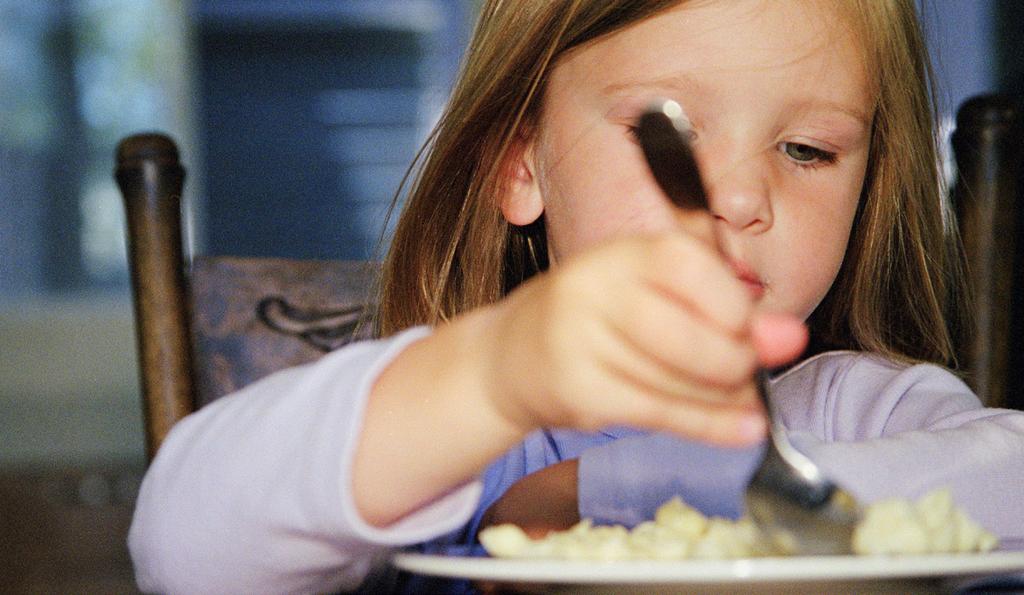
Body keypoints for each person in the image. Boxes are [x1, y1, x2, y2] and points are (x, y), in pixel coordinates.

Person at [128, 0, 1024, 593]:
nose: (746, 199)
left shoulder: (860, 408)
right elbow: (181, 545)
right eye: (666, 130)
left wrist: (617, 487)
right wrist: (488, 377)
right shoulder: (456, 435)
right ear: (522, 163)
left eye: (809, 151)